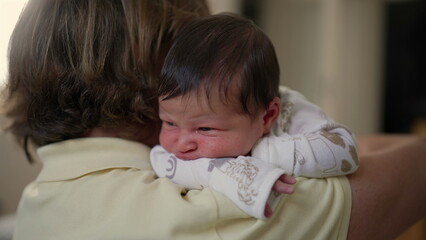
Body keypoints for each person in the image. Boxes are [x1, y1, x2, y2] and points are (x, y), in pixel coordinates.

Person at [2, 0, 425, 239]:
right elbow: (412, 176)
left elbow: (350, 146)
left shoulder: (40, 200)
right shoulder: (211, 205)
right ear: (162, 68)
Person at [149, 13, 359, 219]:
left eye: (205, 128)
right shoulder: (168, 155)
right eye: (170, 122)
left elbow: (345, 150)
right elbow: (162, 163)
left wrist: (259, 155)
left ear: (267, 117)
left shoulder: (290, 111)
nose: (182, 144)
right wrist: (237, 172)